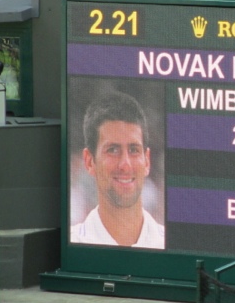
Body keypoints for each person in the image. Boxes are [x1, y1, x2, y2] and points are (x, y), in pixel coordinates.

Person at [70, 91, 165, 249]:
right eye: (113, 150)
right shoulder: (71, 243)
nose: (125, 165)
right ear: (89, 161)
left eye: (134, 150)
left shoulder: (173, 245)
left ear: (147, 161)